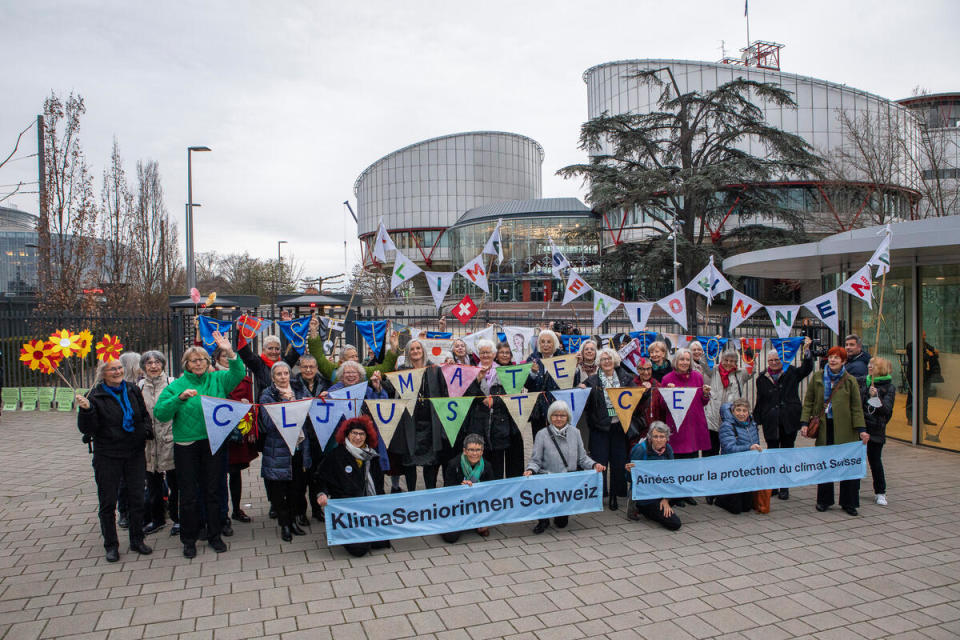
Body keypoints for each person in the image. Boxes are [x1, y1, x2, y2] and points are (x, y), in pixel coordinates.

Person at [154, 331, 245, 558]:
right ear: (186, 364)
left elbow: (239, 372)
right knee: (189, 494)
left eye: (202, 360)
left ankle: (214, 535)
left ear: (208, 362)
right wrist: (179, 399)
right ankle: (189, 538)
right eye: (194, 360)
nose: (198, 364)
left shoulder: (217, 379)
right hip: (187, 445)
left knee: (213, 490)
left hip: (214, 443)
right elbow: (160, 413)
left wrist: (230, 351)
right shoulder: (177, 385)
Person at [77, 359, 155, 562]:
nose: (118, 371)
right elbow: (87, 429)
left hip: (134, 453)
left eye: (119, 368)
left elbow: (144, 414)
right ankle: (111, 545)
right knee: (108, 502)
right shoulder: (94, 395)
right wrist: (87, 410)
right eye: (112, 369)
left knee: (137, 498)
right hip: (108, 455)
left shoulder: (131, 389)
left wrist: (146, 431)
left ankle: (137, 539)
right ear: (103, 373)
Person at [800, 346, 868, 516]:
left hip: (846, 430)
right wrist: (804, 422)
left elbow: (856, 407)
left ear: (843, 361)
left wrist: (861, 429)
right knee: (825, 464)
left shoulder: (849, 380)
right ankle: (824, 500)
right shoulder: (817, 377)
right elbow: (808, 401)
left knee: (847, 465)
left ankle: (849, 502)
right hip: (824, 427)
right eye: (831, 357)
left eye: (837, 357)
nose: (833, 360)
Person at [524, 400, 605, 534]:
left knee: (562, 524)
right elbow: (535, 460)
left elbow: (582, 458)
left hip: (567, 481)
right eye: (555, 415)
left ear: (568, 417)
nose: (559, 418)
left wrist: (594, 465)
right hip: (547, 478)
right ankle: (543, 520)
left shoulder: (576, 433)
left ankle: (560, 513)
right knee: (543, 500)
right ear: (550, 417)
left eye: (562, 415)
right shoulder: (542, 434)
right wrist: (530, 470)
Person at [315, 416, 390, 557]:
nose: (357, 437)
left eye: (361, 434)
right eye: (354, 433)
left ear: (367, 436)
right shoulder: (336, 455)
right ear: (347, 435)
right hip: (347, 510)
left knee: (380, 544)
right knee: (359, 550)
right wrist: (322, 494)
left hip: (368, 509)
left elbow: (379, 487)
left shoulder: (372, 457)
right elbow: (321, 478)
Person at [259, 361, 313, 542]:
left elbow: (309, 409)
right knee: (278, 489)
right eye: (279, 374)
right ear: (273, 377)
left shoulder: (299, 390)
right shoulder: (268, 395)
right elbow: (267, 423)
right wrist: (287, 407)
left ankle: (293, 520)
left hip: (298, 446)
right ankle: (284, 524)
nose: (283, 377)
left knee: (296, 488)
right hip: (278, 448)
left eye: (285, 373)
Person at [385, 339, 449, 491]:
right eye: (412, 349)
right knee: (409, 462)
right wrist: (377, 383)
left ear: (423, 350)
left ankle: (430, 492)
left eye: (418, 348)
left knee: (431, 462)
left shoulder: (434, 369)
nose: (415, 351)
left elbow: (443, 393)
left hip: (430, 424)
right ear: (408, 353)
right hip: (410, 424)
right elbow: (389, 387)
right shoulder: (402, 370)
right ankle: (411, 494)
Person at [753, 340, 813, 500]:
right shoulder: (761, 378)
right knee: (772, 453)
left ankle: (784, 486)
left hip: (789, 419)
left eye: (777, 360)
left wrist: (807, 351)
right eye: (771, 360)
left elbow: (807, 369)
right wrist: (756, 420)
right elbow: (761, 400)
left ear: (782, 360)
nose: (773, 363)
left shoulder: (791, 372)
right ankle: (773, 485)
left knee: (787, 452)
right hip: (771, 421)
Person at [459, 339, 523, 479]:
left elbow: (511, 394)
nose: (485, 355)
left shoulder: (503, 371)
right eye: (482, 353)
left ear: (494, 354)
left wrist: (495, 400)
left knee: (497, 465)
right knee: (481, 463)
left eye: (488, 352)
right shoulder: (472, 370)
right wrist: (477, 381)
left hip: (499, 425)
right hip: (478, 424)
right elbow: (466, 394)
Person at [582, 348, 634, 511]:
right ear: (599, 362)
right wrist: (582, 388)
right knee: (600, 461)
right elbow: (587, 404)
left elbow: (636, 396)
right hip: (600, 426)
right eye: (603, 359)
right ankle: (601, 493)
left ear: (615, 360)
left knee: (619, 461)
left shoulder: (625, 378)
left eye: (609, 358)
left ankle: (617, 493)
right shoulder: (593, 380)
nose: (606, 362)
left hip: (619, 425)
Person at [212, 346, 258, 528]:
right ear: (216, 358)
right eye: (223, 356)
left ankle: (236, 509)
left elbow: (251, 406)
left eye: (230, 357)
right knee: (218, 474)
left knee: (235, 473)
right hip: (218, 429)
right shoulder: (211, 378)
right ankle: (220, 513)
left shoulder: (244, 380)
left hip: (238, 432)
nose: (227, 359)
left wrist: (252, 429)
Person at [659, 348, 711, 506]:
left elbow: (703, 402)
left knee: (692, 460)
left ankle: (688, 492)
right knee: (678, 460)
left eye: (687, 360)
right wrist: (668, 393)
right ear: (676, 361)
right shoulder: (667, 378)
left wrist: (706, 395)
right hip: (677, 425)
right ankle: (676, 495)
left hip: (695, 423)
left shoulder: (698, 376)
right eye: (681, 359)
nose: (684, 362)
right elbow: (662, 405)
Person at [139, 351, 176, 536]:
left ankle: (178, 518)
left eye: (157, 362)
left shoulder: (172, 383)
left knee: (175, 482)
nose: (153, 366)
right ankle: (157, 518)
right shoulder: (138, 387)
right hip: (149, 443)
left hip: (169, 439)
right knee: (152, 483)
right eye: (149, 363)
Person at [307, 316, 399, 383]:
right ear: (342, 360)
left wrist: (394, 347)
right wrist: (314, 331)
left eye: (356, 356)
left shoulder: (364, 372)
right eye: (351, 356)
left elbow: (385, 368)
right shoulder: (333, 370)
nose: (356, 359)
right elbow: (318, 357)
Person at [625, 422, 681, 531]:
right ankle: (640, 508)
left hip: (662, 491)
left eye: (662, 437)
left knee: (686, 488)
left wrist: (666, 499)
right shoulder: (640, 450)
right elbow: (629, 479)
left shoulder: (668, 449)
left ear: (667, 438)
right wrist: (629, 471)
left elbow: (671, 476)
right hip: (646, 496)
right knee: (675, 524)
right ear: (650, 437)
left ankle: (663, 506)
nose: (659, 440)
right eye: (655, 436)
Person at [293, 354, 328, 523]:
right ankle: (300, 511)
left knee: (317, 476)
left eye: (311, 367)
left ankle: (316, 509)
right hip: (301, 437)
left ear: (316, 368)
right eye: (305, 367)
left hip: (319, 436)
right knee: (300, 478)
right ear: (300, 368)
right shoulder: (293, 385)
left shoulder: (324, 383)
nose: (308, 370)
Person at [441, 434, 494, 542]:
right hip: (458, 506)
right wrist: (460, 488)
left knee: (483, 529)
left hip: (477, 504)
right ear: (465, 451)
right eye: (471, 450)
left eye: (478, 450)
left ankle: (476, 521)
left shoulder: (487, 466)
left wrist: (488, 518)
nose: (475, 453)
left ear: (482, 451)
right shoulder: (453, 465)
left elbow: (491, 492)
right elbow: (447, 491)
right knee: (450, 538)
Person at [715, 400, 762, 514]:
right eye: (738, 410)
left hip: (748, 465)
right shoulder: (727, 425)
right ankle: (719, 499)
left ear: (748, 412)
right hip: (732, 465)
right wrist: (749, 448)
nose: (741, 414)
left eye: (744, 411)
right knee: (736, 510)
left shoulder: (752, 424)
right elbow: (729, 448)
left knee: (747, 507)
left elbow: (757, 443)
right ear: (733, 411)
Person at [705, 350, 752, 458]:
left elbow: (752, 367)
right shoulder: (714, 370)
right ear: (721, 360)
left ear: (736, 362)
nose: (728, 363)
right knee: (711, 453)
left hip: (732, 420)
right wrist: (713, 344)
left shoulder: (741, 374)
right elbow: (704, 361)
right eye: (726, 360)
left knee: (730, 453)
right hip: (713, 419)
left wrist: (746, 347)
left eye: (732, 361)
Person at [862, 357, 895, 506]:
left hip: (876, 429)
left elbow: (886, 410)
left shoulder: (889, 387)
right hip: (861, 427)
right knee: (856, 460)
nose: (869, 366)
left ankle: (880, 492)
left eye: (873, 365)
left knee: (875, 461)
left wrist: (875, 397)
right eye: (869, 364)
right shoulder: (864, 381)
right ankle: (852, 490)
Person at [526, 329, 563, 436]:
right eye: (542, 342)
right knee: (539, 441)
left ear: (555, 343)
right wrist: (533, 373)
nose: (545, 345)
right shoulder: (532, 359)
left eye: (549, 342)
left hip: (557, 408)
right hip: (538, 410)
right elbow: (526, 385)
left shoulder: (562, 357)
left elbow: (571, 382)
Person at [905, 332, 939, 426]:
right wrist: (929, 355)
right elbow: (918, 358)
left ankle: (924, 417)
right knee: (912, 396)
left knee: (925, 397)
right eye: (922, 335)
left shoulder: (925, 345)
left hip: (925, 375)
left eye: (925, 335)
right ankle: (910, 418)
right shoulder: (911, 346)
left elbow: (935, 352)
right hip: (913, 374)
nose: (924, 336)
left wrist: (931, 354)